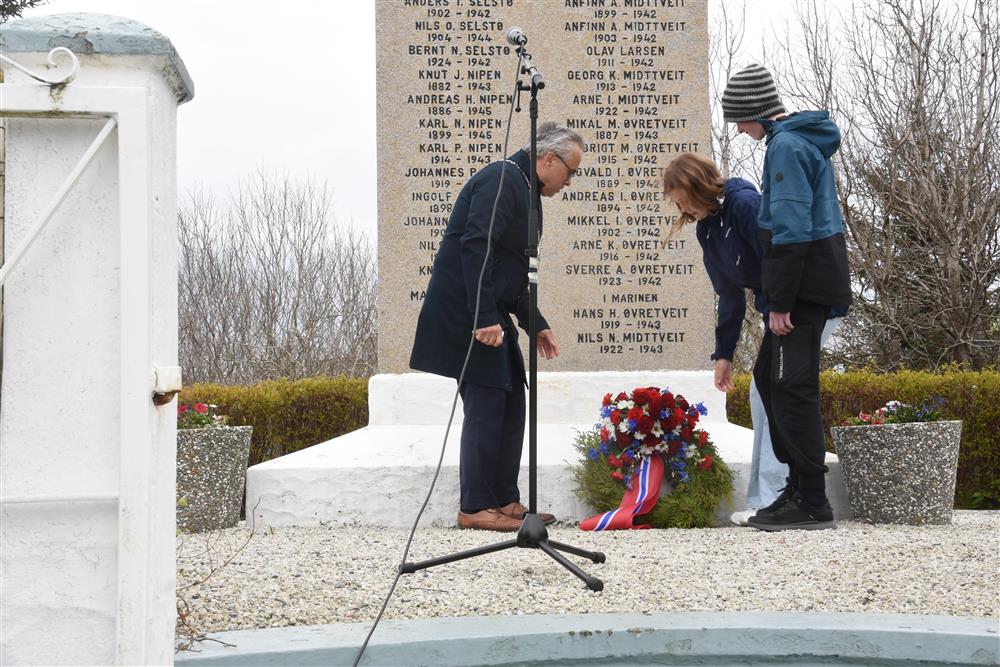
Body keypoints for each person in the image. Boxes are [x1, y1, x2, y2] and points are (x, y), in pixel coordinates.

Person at [409, 122, 585, 532]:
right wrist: (484, 317)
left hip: (490, 312)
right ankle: (474, 506)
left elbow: (514, 270)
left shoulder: (526, 190)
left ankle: (503, 500)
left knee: (510, 403)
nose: (570, 181)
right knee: (487, 404)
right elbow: (477, 245)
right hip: (466, 314)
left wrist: (535, 323)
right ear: (547, 159)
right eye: (570, 171)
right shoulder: (503, 178)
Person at [721, 63, 852, 531]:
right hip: (807, 284)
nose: (737, 129)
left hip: (804, 288)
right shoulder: (790, 142)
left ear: (756, 112)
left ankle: (812, 500)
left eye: (738, 118)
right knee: (771, 380)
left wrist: (780, 303)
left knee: (793, 388)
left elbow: (792, 231)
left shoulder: (786, 146)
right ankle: (796, 489)